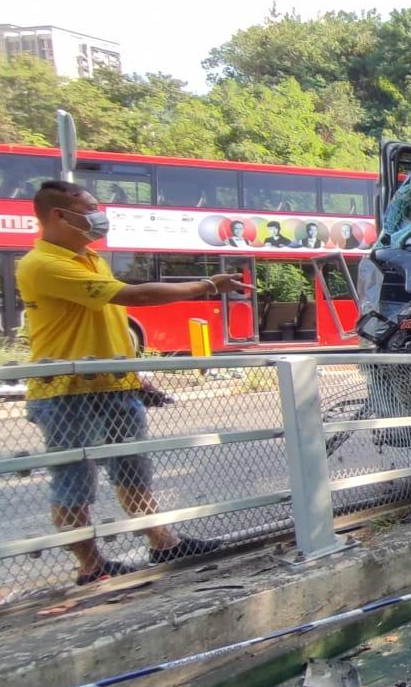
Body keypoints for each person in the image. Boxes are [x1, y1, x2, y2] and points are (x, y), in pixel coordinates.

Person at [17, 181, 248, 584]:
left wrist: (134, 374)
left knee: (133, 474)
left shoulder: (89, 259)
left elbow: (109, 323)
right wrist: (207, 285)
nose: (97, 214)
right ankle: (91, 565)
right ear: (58, 215)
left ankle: (163, 542)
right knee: (74, 482)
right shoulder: (42, 264)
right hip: (66, 392)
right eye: (89, 207)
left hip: (116, 386)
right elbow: (133, 297)